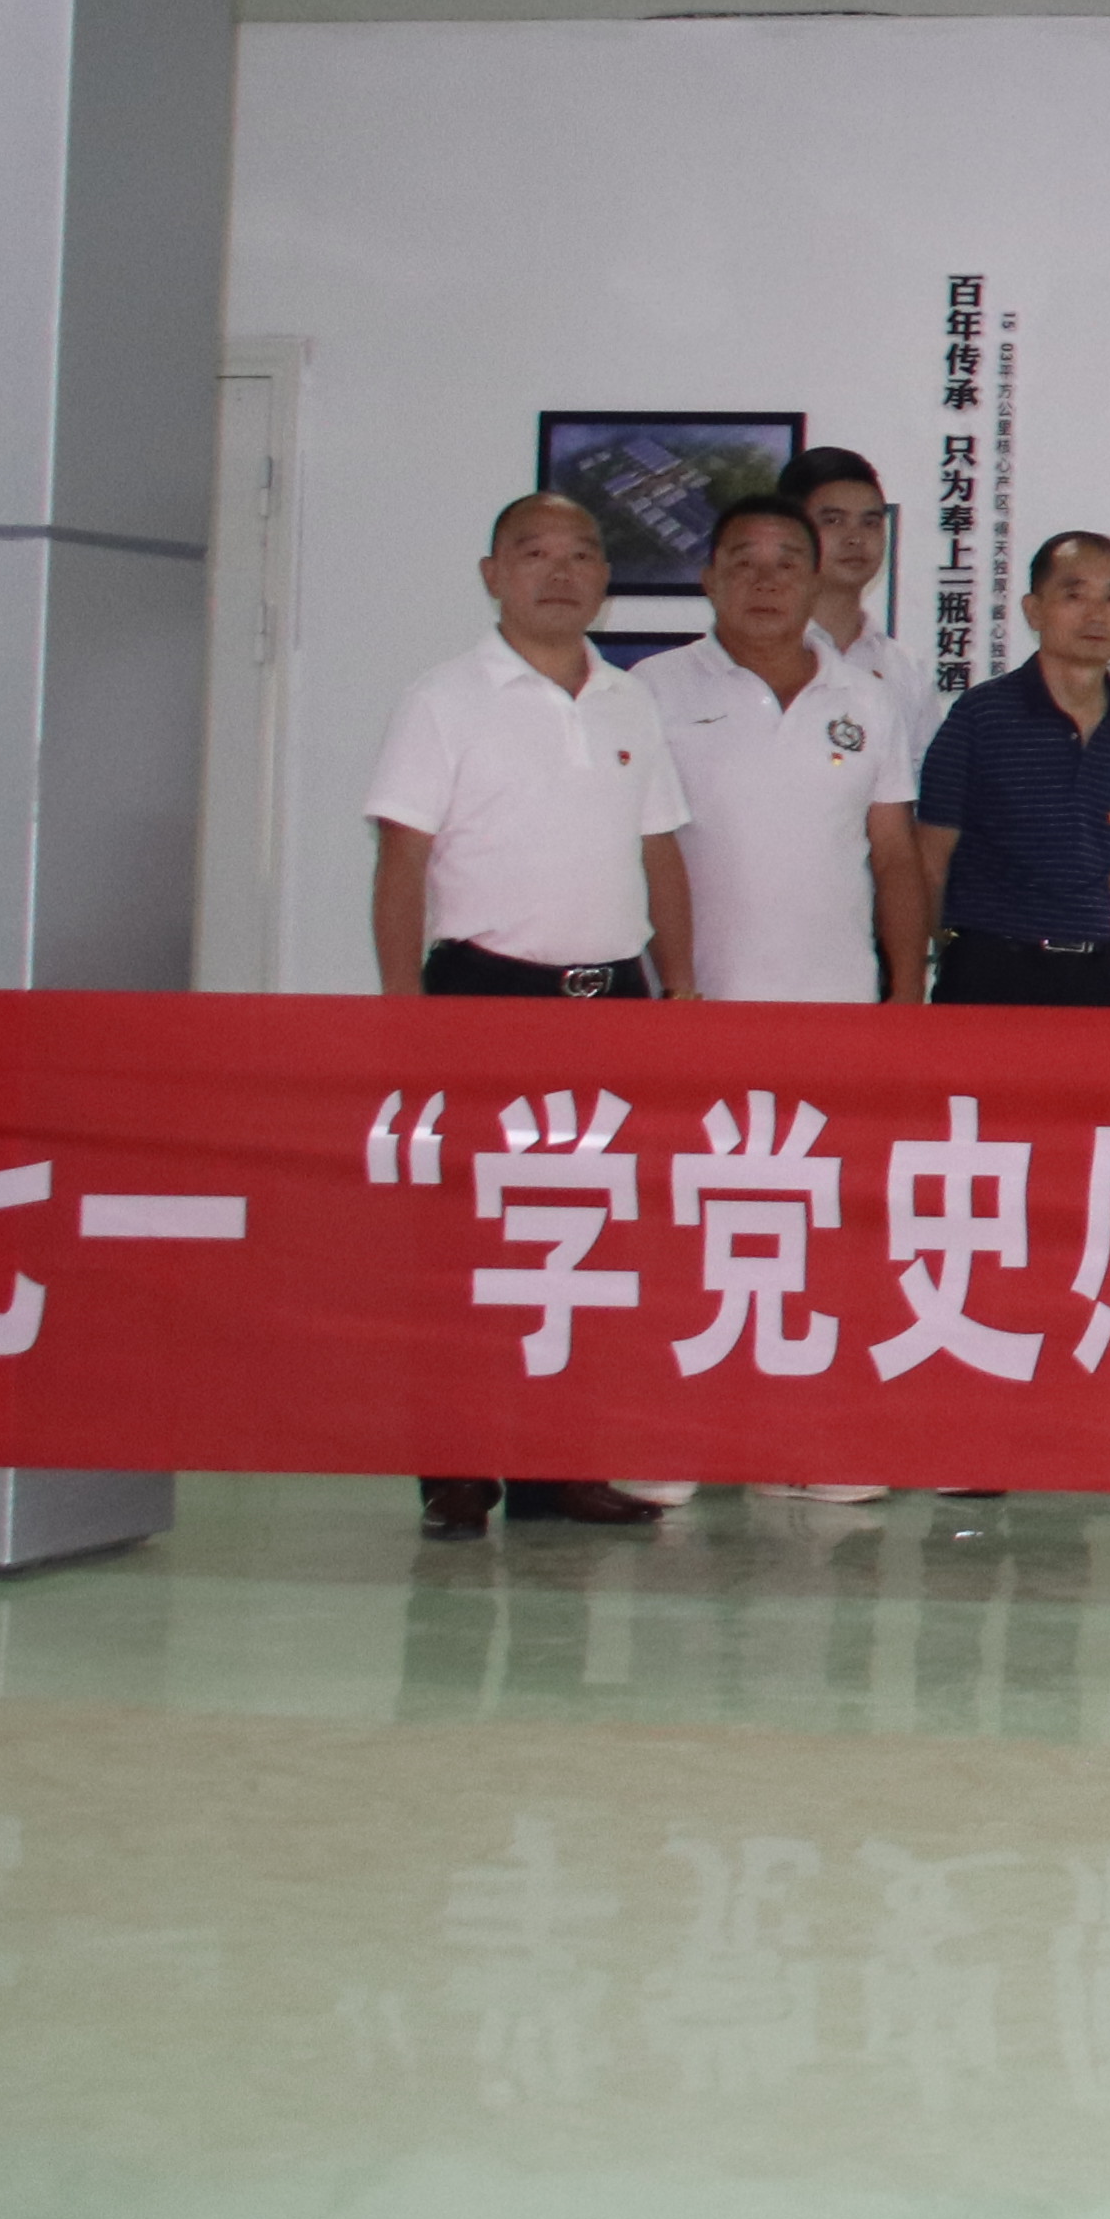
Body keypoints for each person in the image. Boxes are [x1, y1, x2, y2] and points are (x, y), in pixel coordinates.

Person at [365, 490, 691, 1542]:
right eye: (535, 553)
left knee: (590, 1236)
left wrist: (679, 987)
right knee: (466, 1243)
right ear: (492, 574)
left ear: (606, 577)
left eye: (582, 554)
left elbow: (660, 851)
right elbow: (402, 858)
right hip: (483, 996)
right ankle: (457, 1471)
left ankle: (564, 1469)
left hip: (610, 1002)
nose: (561, 572)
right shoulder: (444, 697)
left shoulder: (630, 700)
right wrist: (404, 1010)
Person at [636, 491, 922, 1005]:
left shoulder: (869, 700)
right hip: (696, 1001)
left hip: (841, 1000)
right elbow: (642, 851)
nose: (765, 583)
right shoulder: (653, 688)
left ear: (815, 582)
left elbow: (895, 857)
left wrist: (907, 989)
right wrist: (677, 985)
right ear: (710, 581)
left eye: (787, 565)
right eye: (744, 564)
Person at [911, 532, 1110, 1005]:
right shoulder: (982, 714)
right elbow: (930, 857)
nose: (1096, 614)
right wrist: (957, 948)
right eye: (1074, 595)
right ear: (1033, 610)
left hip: (1093, 971)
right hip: (990, 967)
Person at [782, 445, 927, 713]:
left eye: (870, 522)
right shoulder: (757, 654)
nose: (855, 538)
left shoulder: (905, 669)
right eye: (833, 520)